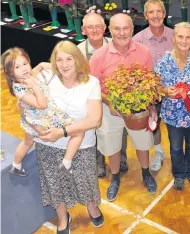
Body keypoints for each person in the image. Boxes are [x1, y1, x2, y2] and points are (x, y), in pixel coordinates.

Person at [34, 41, 103, 232]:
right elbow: (23, 90)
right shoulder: (46, 77)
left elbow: (95, 120)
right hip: (48, 143)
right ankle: (63, 218)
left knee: (85, 180)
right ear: (54, 62)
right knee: (55, 183)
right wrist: (38, 67)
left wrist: (63, 132)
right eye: (60, 60)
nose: (64, 65)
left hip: (81, 145)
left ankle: (91, 206)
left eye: (69, 59)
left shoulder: (91, 82)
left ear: (77, 60)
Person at [90, 13, 157, 201]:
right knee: (112, 146)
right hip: (109, 107)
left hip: (138, 108)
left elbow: (149, 81)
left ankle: (146, 173)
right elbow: (93, 87)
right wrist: (110, 103)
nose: (121, 33)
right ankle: (115, 178)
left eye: (125, 28)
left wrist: (149, 105)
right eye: (117, 29)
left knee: (143, 142)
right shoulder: (98, 56)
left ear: (132, 29)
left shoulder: (143, 51)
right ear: (110, 31)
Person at [1, 48, 83, 177]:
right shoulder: (21, 89)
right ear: (10, 72)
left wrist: (55, 66)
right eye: (17, 67)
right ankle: (66, 163)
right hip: (43, 119)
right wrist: (34, 86)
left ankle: (16, 165)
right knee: (78, 132)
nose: (24, 69)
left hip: (33, 119)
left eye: (25, 63)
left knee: (27, 142)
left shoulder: (27, 76)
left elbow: (40, 66)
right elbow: (42, 105)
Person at [155, 22, 190, 191]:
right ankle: (178, 174)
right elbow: (155, 88)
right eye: (180, 37)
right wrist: (164, 91)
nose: (184, 41)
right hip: (172, 115)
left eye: (188, 37)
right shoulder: (163, 62)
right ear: (173, 38)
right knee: (176, 147)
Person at [77, 12, 129, 178]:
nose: (94, 30)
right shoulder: (78, 52)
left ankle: (121, 158)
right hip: (90, 100)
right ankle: (99, 162)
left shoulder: (116, 45)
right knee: (95, 132)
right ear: (83, 30)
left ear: (105, 28)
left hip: (113, 97)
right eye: (90, 27)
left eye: (98, 26)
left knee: (120, 131)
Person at [133, 0, 174, 172]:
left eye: (159, 11)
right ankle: (158, 152)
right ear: (145, 15)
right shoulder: (138, 40)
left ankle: (177, 153)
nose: (156, 15)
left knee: (175, 126)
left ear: (164, 14)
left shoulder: (175, 35)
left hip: (175, 91)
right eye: (151, 12)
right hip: (150, 92)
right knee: (153, 123)